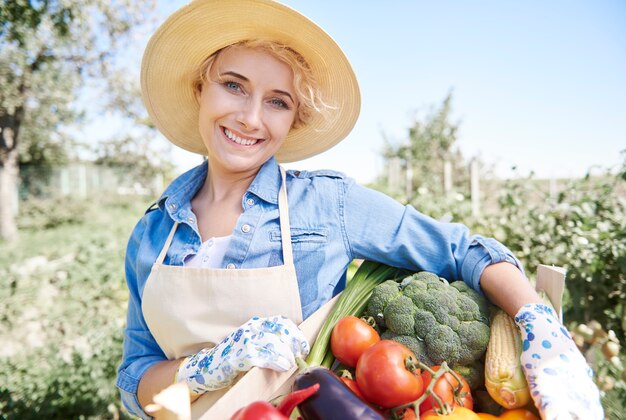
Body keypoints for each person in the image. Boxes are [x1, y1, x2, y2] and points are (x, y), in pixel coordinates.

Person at [116, 1, 604, 419]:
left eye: (278, 102)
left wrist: (539, 325)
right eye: (233, 85)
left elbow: (463, 250)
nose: (250, 117)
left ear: (294, 120)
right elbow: (141, 386)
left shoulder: (327, 204)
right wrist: (205, 369)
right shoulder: (151, 234)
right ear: (201, 89)